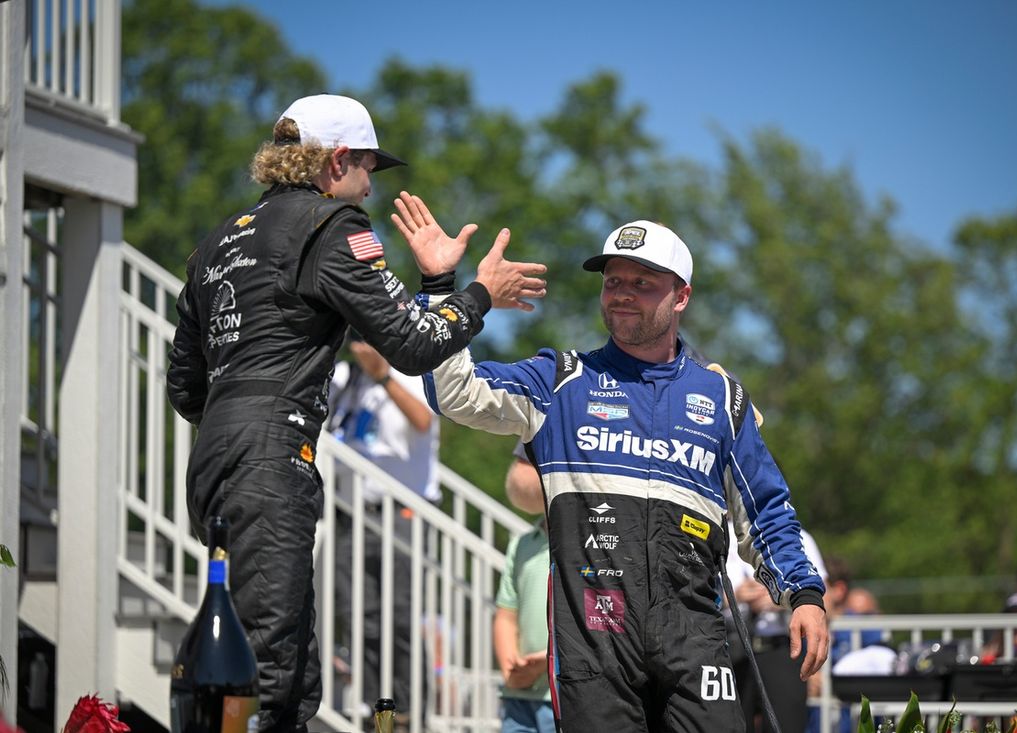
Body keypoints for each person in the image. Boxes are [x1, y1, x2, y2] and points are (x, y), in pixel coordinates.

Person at [166, 93, 547, 732]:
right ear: (335, 160)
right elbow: (413, 345)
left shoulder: (213, 246)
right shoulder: (330, 226)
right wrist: (480, 294)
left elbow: (185, 390)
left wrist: (434, 288)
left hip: (211, 466)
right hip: (270, 461)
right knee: (274, 671)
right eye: (368, 167)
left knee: (260, 655)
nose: (370, 187)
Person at [409, 212, 829, 731]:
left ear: (681, 296)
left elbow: (766, 512)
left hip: (695, 640)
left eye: (642, 283)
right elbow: (453, 393)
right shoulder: (559, 381)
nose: (622, 294)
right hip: (594, 645)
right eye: (613, 282)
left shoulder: (722, 397)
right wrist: (439, 288)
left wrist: (803, 595)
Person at [328, 336, 440, 723]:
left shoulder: (412, 372)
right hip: (351, 513)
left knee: (401, 616)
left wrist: (383, 377)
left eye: (367, 336)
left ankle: (410, 712)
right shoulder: (342, 379)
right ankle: (381, 714)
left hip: (401, 512)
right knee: (360, 617)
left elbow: (423, 421)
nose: (360, 345)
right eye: (355, 337)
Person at [726, 528, 826, 733]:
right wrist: (734, 598)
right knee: (728, 725)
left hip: (779, 649)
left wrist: (783, 601)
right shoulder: (716, 529)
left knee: (786, 725)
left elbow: (825, 601)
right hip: (728, 650)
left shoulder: (795, 535)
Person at [494, 445, 554, 733]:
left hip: (561, 693)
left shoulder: (584, 542)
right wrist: (510, 670)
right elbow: (506, 614)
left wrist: (548, 659)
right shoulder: (522, 543)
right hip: (519, 694)